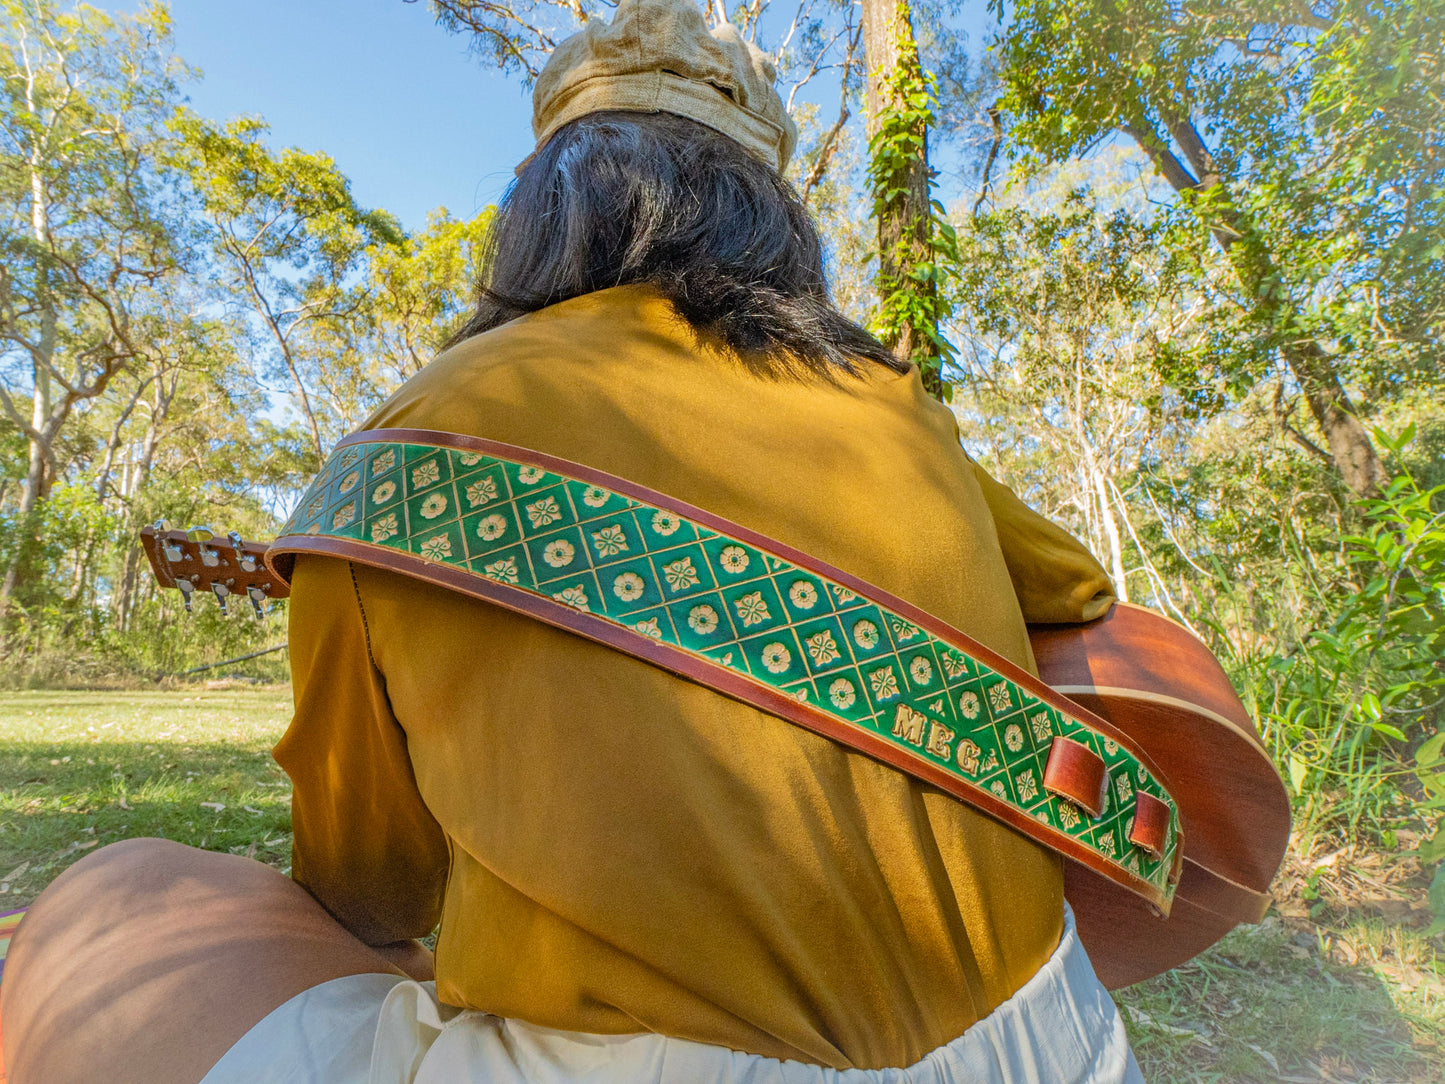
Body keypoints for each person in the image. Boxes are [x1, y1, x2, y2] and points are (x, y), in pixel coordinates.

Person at [1, 0, 1143, 1080]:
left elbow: (371, 892)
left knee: (120, 891)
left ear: (539, 217)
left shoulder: (414, 442)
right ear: (770, 224)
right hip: (1058, 1038)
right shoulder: (893, 408)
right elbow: (1077, 590)